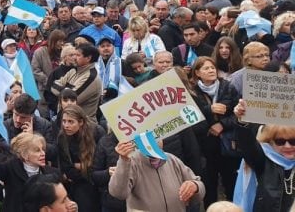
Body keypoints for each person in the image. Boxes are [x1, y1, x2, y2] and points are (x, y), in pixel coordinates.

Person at [188, 57, 240, 207]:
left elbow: (239, 114)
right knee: (209, 184)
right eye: (206, 68)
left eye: (212, 67)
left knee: (230, 182)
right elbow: (189, 119)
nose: (211, 71)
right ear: (197, 73)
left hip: (227, 144)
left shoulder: (228, 87)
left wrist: (222, 125)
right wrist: (208, 110)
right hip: (205, 146)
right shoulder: (191, 92)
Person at [233, 99, 295, 211]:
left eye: (293, 141)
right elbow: (247, 145)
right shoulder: (263, 161)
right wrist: (242, 121)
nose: (287, 146)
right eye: (280, 141)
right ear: (270, 142)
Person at [109, 140, 206, 212]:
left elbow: (200, 187)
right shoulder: (131, 162)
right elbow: (118, 193)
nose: (155, 141)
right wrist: (123, 160)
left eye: (158, 137)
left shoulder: (172, 159)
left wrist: (195, 186)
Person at [56, 104, 102, 211]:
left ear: (81, 122)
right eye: (64, 121)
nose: (66, 125)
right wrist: (83, 166)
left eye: (70, 122)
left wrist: (82, 166)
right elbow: (67, 169)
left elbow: (99, 165)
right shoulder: (62, 138)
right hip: (78, 184)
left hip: (97, 183)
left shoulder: (96, 132)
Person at [51, 44, 102, 121]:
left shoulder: (91, 77)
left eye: (78, 55)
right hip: (67, 120)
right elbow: (53, 86)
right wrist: (67, 90)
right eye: (74, 55)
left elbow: (71, 100)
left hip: (84, 124)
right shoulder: (73, 71)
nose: (74, 58)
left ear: (88, 58)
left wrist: (63, 90)